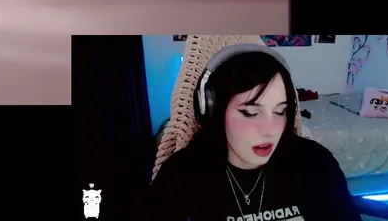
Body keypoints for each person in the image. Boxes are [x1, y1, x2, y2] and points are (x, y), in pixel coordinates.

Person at [146, 44, 360, 221]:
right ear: (213, 112)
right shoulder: (182, 174)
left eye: (280, 111)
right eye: (250, 113)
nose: (269, 130)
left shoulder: (315, 163)